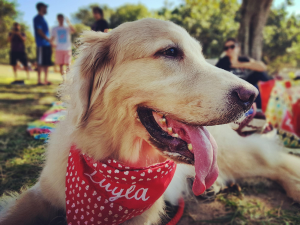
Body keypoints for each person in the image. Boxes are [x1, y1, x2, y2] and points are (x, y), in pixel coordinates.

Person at [216, 38, 269, 108]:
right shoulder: (222, 62)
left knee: (260, 75)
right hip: (234, 87)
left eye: (232, 46)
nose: (229, 49)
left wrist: (238, 64)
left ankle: (268, 102)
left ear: (238, 48)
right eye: (226, 48)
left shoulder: (243, 59)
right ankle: (259, 108)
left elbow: (262, 67)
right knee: (255, 88)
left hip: (247, 83)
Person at [51, 14, 75, 78]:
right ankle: (63, 80)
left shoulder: (67, 28)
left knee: (68, 64)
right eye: (59, 18)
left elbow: (73, 30)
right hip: (58, 49)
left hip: (67, 48)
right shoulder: (55, 28)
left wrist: (69, 22)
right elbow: (52, 38)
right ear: (57, 19)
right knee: (60, 65)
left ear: (63, 19)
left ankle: (68, 79)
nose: (61, 19)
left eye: (62, 18)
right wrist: (52, 44)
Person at [33, 2, 52, 85]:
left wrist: (49, 41)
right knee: (40, 62)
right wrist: (48, 39)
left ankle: (45, 80)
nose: (46, 9)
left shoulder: (43, 19)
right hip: (41, 44)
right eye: (45, 7)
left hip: (47, 44)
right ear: (41, 8)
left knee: (46, 63)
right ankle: (39, 81)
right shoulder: (37, 18)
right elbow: (39, 31)